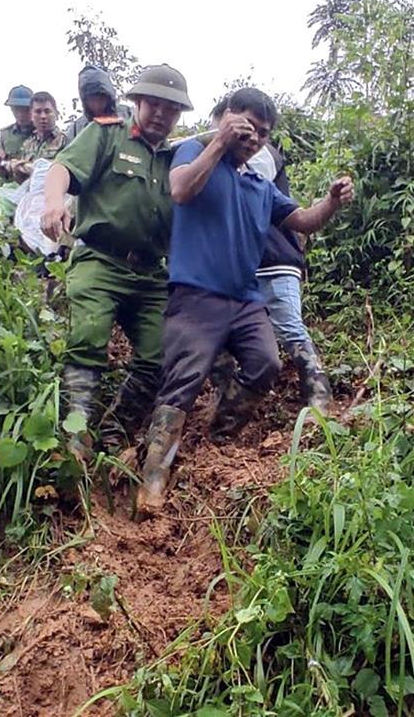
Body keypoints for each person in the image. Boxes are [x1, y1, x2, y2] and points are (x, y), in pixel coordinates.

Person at [134, 87, 354, 518]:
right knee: (182, 382)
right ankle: (152, 480)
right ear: (226, 117)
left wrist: (330, 201)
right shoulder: (194, 156)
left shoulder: (259, 184)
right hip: (196, 294)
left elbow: (303, 221)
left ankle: (218, 435)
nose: (254, 137)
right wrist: (218, 142)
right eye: (247, 125)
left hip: (245, 300)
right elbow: (179, 191)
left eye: (263, 132)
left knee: (266, 363)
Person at [40, 64, 194, 459]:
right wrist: (54, 203)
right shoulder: (108, 133)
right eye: (154, 104)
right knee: (88, 336)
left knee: (161, 354)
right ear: (138, 102)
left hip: (151, 272)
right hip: (101, 259)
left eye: (171, 109)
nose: (161, 114)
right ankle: (78, 432)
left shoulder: (178, 159)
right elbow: (62, 168)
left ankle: (116, 428)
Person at [207, 98, 333, 414]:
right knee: (216, 335)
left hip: (275, 259)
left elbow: (244, 191)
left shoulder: (260, 156)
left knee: (290, 328)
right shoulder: (218, 158)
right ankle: (229, 403)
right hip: (240, 269)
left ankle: (320, 399)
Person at [7, 92, 69, 184]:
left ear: (56, 113)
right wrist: (17, 170)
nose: (43, 116)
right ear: (31, 115)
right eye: (38, 112)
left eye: (47, 111)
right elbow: (23, 182)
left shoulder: (66, 140)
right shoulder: (28, 144)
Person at [64, 65, 133, 143]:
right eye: (91, 100)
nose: (96, 105)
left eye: (100, 98)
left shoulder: (128, 115)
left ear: (108, 97)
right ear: (85, 101)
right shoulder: (76, 128)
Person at [0, 85, 35, 180]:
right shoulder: (6, 135)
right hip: (13, 190)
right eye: (16, 109)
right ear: (11, 109)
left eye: (25, 109)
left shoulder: (43, 132)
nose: (21, 114)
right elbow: (4, 172)